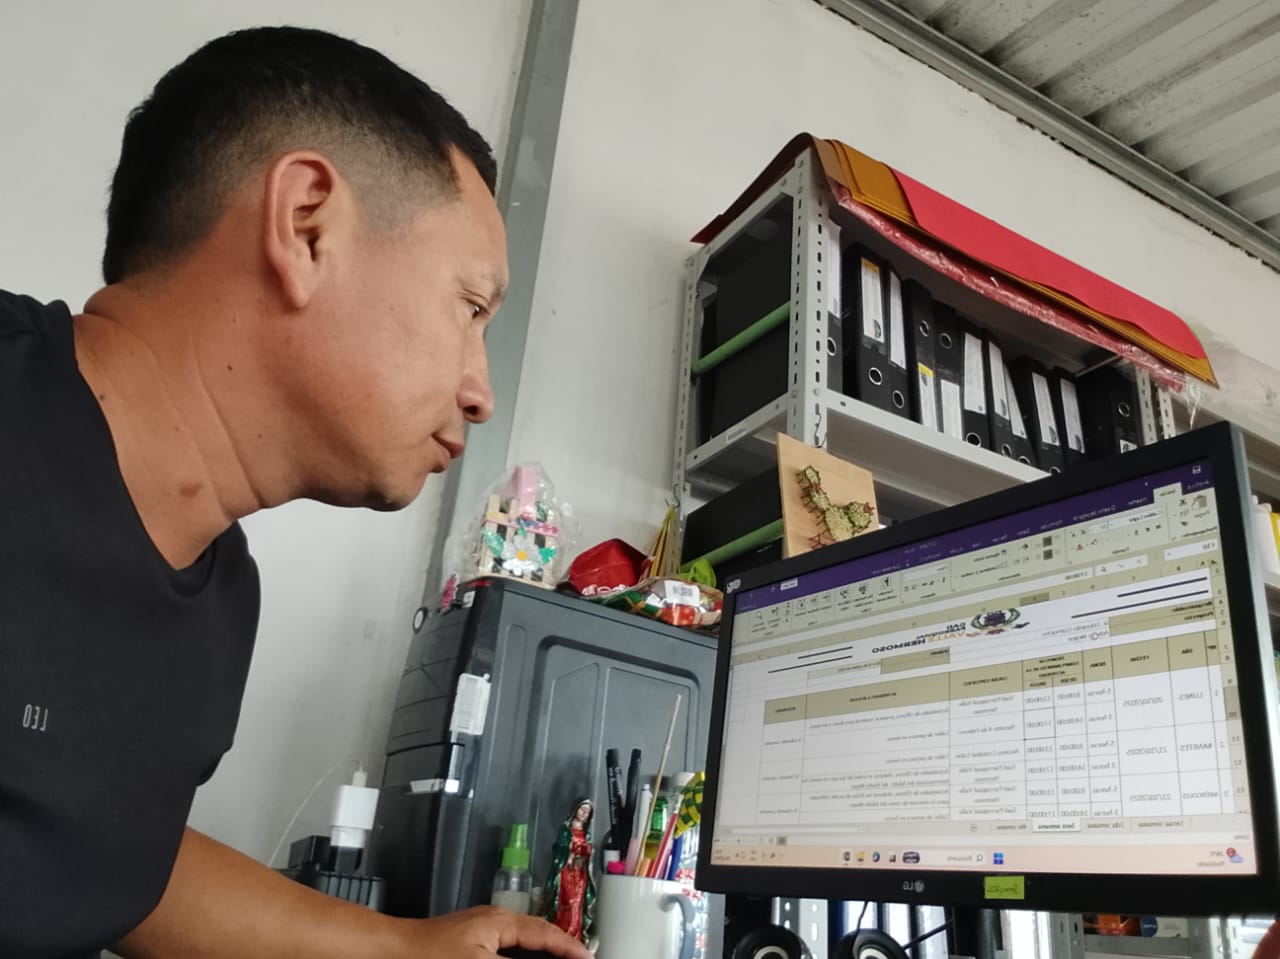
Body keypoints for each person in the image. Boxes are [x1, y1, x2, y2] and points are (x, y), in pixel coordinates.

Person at [0, 25, 590, 959]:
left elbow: (102, 854)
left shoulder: (220, 603)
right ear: (306, 223)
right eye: (471, 307)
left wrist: (405, 948)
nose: (481, 391)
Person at [542, 798, 596, 943]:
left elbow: (589, 852)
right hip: (566, 871)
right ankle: (561, 934)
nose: (584, 813)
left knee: (578, 904)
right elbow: (559, 848)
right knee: (568, 901)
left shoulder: (587, 835)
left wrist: (587, 851)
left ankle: (575, 937)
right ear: (575, 810)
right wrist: (571, 850)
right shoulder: (565, 831)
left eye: (588, 811)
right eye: (582, 809)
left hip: (580, 874)